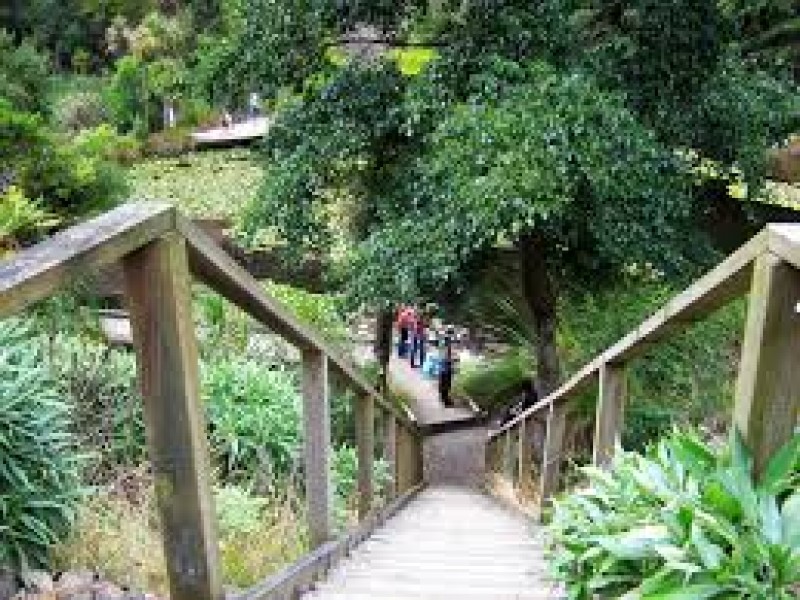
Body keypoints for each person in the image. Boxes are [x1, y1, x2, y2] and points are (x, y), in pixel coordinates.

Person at [439, 328, 457, 407]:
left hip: (443, 366)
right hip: (446, 366)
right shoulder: (447, 343)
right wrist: (453, 360)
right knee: (446, 384)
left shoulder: (443, 341)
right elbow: (446, 356)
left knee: (443, 383)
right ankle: (446, 401)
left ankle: (444, 399)